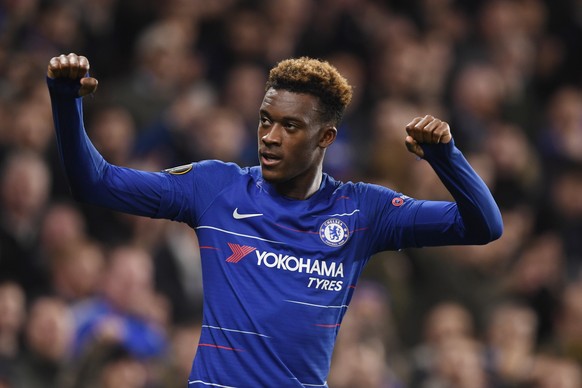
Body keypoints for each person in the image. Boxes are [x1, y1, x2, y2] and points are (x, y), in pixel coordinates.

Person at [46, 53, 503, 387]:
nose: (269, 137)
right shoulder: (215, 188)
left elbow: (483, 226)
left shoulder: (364, 211)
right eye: (265, 120)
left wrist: (446, 158)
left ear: (326, 136)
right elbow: (97, 182)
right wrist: (67, 102)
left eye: (290, 126)